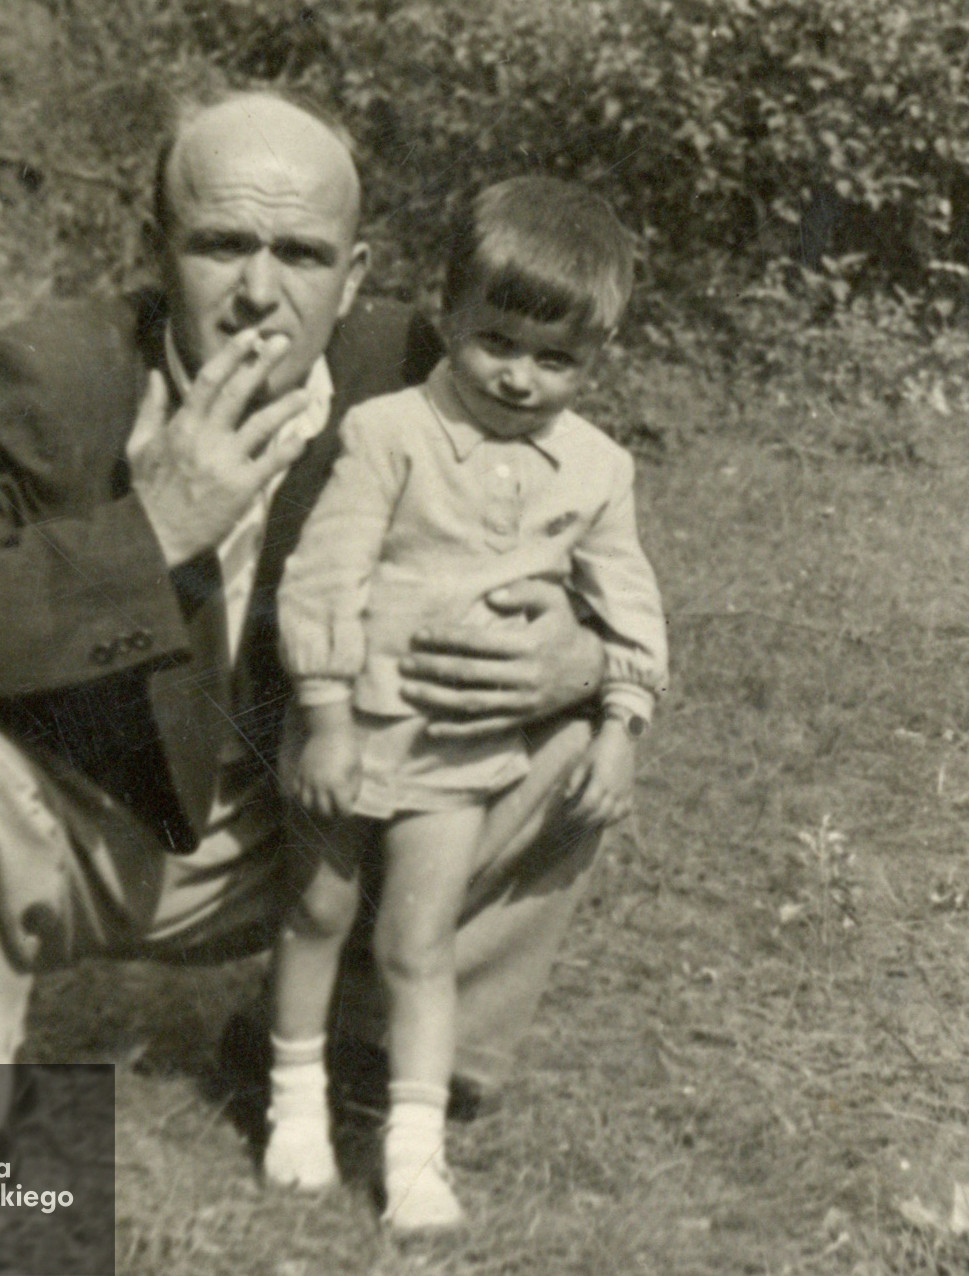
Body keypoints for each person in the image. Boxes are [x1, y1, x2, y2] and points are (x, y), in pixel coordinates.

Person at [0, 92, 611, 1140]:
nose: (259, 294)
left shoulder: (425, 373)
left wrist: (581, 660)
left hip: (320, 814)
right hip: (84, 826)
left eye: (303, 255)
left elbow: (586, 546)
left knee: (572, 730)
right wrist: (150, 533)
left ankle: (347, 1049)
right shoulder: (46, 377)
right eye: (221, 245)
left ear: (354, 276)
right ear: (158, 249)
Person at [263, 178, 667, 1230]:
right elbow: (324, 575)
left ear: (597, 359)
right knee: (313, 911)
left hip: (457, 751)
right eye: (497, 342)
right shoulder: (387, 433)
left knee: (419, 940)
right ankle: (294, 1107)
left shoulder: (596, 469)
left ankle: (414, 1151)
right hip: (350, 727)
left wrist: (621, 727)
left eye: (557, 359)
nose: (521, 379)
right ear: (448, 313)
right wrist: (326, 710)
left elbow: (630, 609)